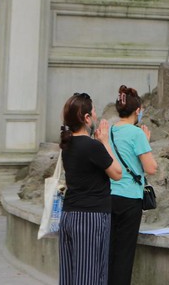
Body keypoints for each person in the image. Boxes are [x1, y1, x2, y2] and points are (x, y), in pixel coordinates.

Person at [59, 92, 122, 285]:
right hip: (91, 218)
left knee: (69, 276)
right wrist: (105, 142)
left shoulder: (67, 145)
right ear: (86, 118)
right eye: (93, 111)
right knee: (90, 277)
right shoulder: (92, 146)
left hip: (69, 214)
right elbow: (117, 173)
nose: (96, 115)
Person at [108, 85, 157, 285]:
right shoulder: (137, 134)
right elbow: (151, 168)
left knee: (108, 251)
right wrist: (145, 141)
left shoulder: (109, 131)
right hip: (129, 200)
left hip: (108, 196)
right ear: (137, 111)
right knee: (124, 254)